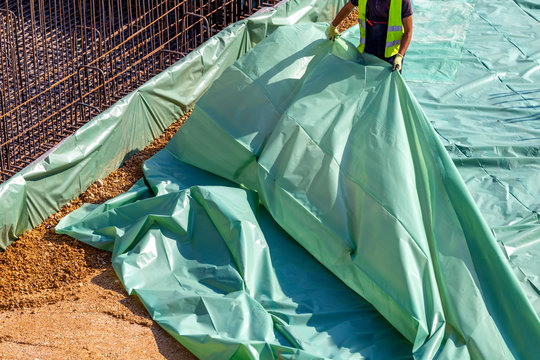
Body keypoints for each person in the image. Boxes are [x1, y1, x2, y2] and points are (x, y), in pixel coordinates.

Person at [328, 0, 413, 72]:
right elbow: (348, 7)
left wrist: (400, 56)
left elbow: (408, 31)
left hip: (391, 55)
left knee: (388, 86)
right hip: (369, 48)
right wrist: (333, 26)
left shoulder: (402, 1)